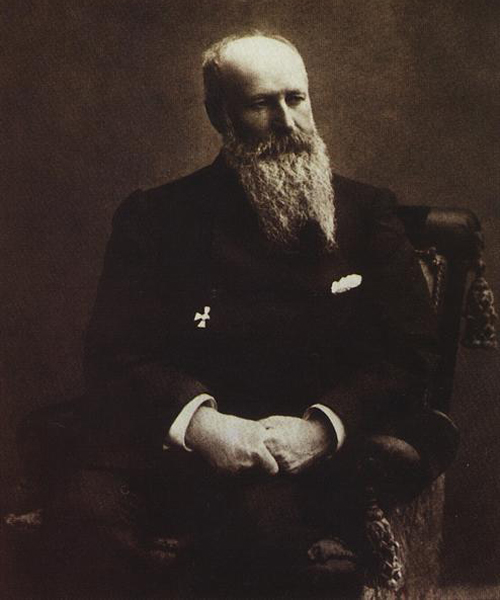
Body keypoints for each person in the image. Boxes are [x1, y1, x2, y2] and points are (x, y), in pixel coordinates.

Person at [50, 32, 449, 598]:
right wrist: (202, 424)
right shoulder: (157, 217)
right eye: (262, 103)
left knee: (263, 535)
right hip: (181, 444)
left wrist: (321, 429)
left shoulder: (366, 213)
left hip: (301, 452)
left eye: (296, 98)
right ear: (220, 114)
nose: (287, 121)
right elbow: (115, 352)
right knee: (82, 515)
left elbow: (411, 353)